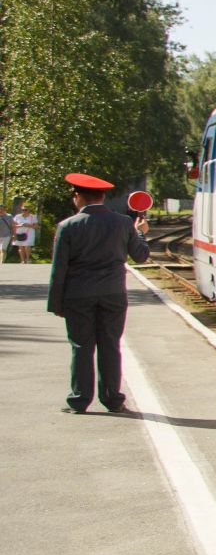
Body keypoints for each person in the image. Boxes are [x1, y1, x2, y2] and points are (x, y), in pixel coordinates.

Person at [47, 173, 149, 414]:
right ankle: (113, 399)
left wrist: (56, 304)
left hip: (78, 294)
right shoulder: (124, 223)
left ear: (77, 197)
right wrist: (142, 232)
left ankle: (80, 400)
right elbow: (140, 256)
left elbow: (59, 268)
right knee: (110, 345)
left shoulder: (67, 226)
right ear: (102, 196)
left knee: (81, 346)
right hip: (113, 293)